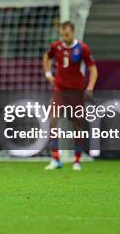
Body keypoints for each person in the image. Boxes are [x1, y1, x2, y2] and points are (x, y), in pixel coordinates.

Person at [43, 21, 98, 171]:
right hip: (59, 89)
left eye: (66, 35)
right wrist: (48, 74)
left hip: (76, 91)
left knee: (78, 124)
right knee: (53, 120)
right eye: (62, 35)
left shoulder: (82, 48)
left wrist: (90, 87)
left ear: (73, 33)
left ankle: (77, 160)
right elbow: (46, 57)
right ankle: (55, 159)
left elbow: (93, 69)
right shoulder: (56, 46)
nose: (64, 38)